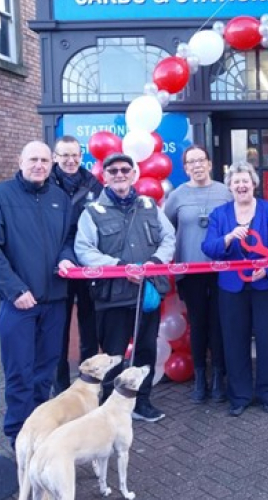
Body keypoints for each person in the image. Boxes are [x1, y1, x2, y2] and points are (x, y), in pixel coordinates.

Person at [0, 140, 76, 448]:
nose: (39, 165)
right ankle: (18, 435)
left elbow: (68, 238)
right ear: (20, 161)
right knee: (19, 371)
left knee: (45, 371)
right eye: (33, 159)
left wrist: (66, 255)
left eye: (45, 161)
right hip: (18, 302)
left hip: (55, 300)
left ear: (52, 164)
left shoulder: (60, 198)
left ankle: (40, 429)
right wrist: (14, 289)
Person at [75, 152, 175, 422]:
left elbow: (169, 238)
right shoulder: (92, 212)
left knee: (145, 351)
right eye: (113, 171)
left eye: (124, 170)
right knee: (113, 355)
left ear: (134, 174)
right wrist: (120, 267)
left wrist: (154, 262)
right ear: (104, 176)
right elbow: (84, 250)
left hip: (146, 295)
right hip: (112, 297)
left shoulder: (149, 206)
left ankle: (141, 403)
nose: (119, 174)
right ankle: (109, 408)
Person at [202, 162, 268, 416]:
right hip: (232, 286)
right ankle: (239, 396)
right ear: (229, 186)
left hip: (266, 285)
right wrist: (228, 238)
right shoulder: (220, 214)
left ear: (254, 184)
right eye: (236, 181)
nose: (241, 185)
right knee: (234, 340)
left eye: (245, 181)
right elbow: (209, 248)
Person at [164, 146, 232, 404]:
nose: (197, 165)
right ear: (185, 167)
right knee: (197, 324)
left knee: (218, 324)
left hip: (221, 270)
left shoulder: (224, 193)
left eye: (201, 160)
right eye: (191, 162)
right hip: (190, 272)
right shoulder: (177, 196)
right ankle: (200, 378)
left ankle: (218, 378)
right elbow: (166, 229)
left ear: (210, 163)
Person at [50, 135, 103, 394]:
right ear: (55, 157)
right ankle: (59, 388)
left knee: (89, 326)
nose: (70, 160)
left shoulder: (94, 184)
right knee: (57, 329)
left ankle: (87, 384)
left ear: (81, 157)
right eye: (64, 155)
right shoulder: (45, 183)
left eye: (75, 155)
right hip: (55, 267)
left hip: (87, 265)